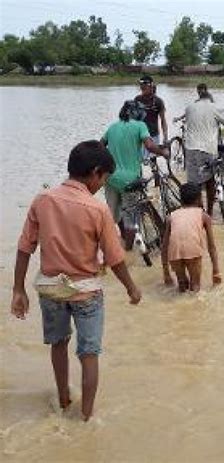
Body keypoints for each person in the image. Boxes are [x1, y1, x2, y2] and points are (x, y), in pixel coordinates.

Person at [10, 141, 142, 421]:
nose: (102, 185)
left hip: (50, 290)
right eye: (104, 179)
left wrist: (18, 289)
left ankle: (64, 399)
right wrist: (131, 287)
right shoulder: (97, 209)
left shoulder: (43, 200)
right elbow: (115, 258)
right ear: (95, 173)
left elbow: (25, 247)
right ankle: (86, 417)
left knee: (58, 344)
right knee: (89, 353)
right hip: (85, 293)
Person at [101, 100, 168, 249]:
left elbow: (100, 146)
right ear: (138, 114)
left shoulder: (112, 127)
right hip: (130, 179)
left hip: (110, 177)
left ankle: (119, 240)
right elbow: (150, 146)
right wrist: (163, 152)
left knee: (113, 213)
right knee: (130, 214)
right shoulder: (140, 126)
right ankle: (128, 249)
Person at [183, 83, 224, 216]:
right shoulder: (214, 107)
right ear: (210, 98)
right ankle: (210, 213)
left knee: (195, 184)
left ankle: (198, 213)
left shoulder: (189, 108)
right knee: (209, 181)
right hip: (207, 149)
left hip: (190, 149)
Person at [161, 182, 221, 292]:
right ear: (199, 199)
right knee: (195, 286)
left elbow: (164, 246)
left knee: (182, 285)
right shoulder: (204, 216)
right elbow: (211, 246)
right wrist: (216, 270)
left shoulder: (171, 216)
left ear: (181, 200)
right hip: (192, 250)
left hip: (174, 252)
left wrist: (166, 273)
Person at [135, 75, 168, 150]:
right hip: (140, 136)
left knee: (152, 159)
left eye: (144, 86)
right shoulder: (137, 99)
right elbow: (133, 119)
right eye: (141, 86)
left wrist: (165, 137)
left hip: (153, 135)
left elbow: (163, 120)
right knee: (139, 160)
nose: (142, 88)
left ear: (151, 86)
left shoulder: (158, 101)